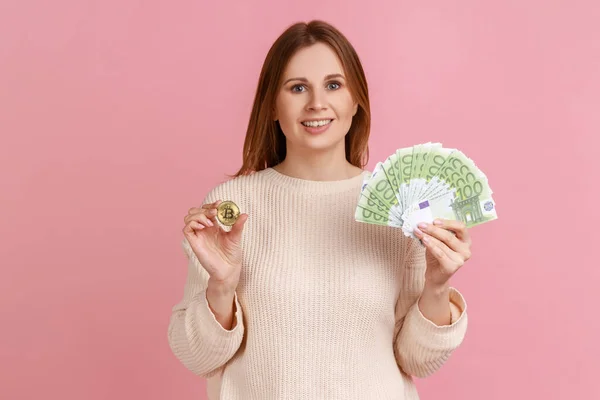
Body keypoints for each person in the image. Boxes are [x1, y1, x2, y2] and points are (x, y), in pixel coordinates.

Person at [168, 20, 472, 400]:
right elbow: (197, 357)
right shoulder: (233, 205)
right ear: (273, 106)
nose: (316, 103)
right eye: (297, 88)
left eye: (333, 85)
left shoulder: (398, 207)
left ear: (356, 99)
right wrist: (222, 286)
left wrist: (437, 285)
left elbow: (416, 361)